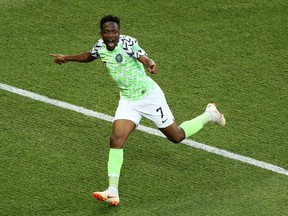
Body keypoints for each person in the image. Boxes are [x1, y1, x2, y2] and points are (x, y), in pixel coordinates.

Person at [50, 15, 226, 206]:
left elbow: (142, 56)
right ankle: (113, 190)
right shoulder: (100, 46)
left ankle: (209, 114)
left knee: (176, 137)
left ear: (119, 32)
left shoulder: (127, 43)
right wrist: (66, 58)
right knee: (116, 139)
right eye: (107, 32)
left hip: (149, 97)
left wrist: (149, 64)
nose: (111, 36)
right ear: (102, 33)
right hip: (128, 100)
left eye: (114, 32)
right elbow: (89, 56)